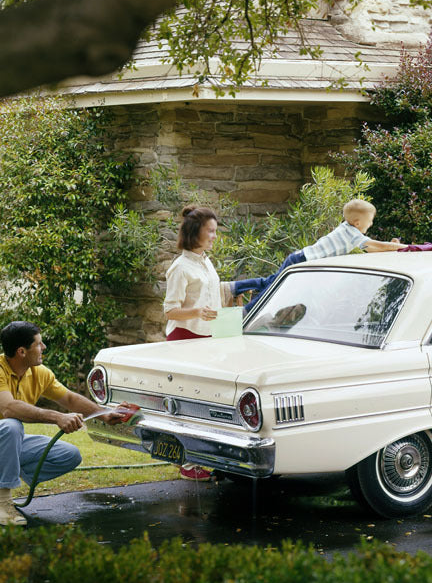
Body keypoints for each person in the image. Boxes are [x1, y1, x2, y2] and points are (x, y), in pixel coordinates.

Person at [0, 321, 119, 526]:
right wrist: (57, 417)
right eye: (39, 343)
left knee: (69, 455)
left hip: (6, 441)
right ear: (21, 351)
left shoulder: (39, 373)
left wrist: (105, 414)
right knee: (11, 425)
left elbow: (70, 399)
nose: (44, 347)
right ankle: (2, 504)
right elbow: (9, 408)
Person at [163, 204, 236, 481]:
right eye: (211, 231)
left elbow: (211, 297)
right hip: (185, 340)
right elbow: (170, 310)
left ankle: (202, 458)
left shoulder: (205, 261)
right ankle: (188, 464)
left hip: (207, 340)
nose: (215, 236)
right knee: (188, 404)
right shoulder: (180, 268)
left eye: (216, 231)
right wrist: (196, 313)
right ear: (196, 233)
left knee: (207, 403)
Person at [232, 199, 407, 309]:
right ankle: (248, 311)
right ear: (358, 222)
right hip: (301, 260)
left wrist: (391, 247)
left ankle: (236, 287)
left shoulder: (348, 229)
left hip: (299, 256)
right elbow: (375, 245)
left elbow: (370, 249)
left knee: (271, 282)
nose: (370, 225)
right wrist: (401, 247)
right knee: (274, 288)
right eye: (370, 222)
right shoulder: (352, 234)